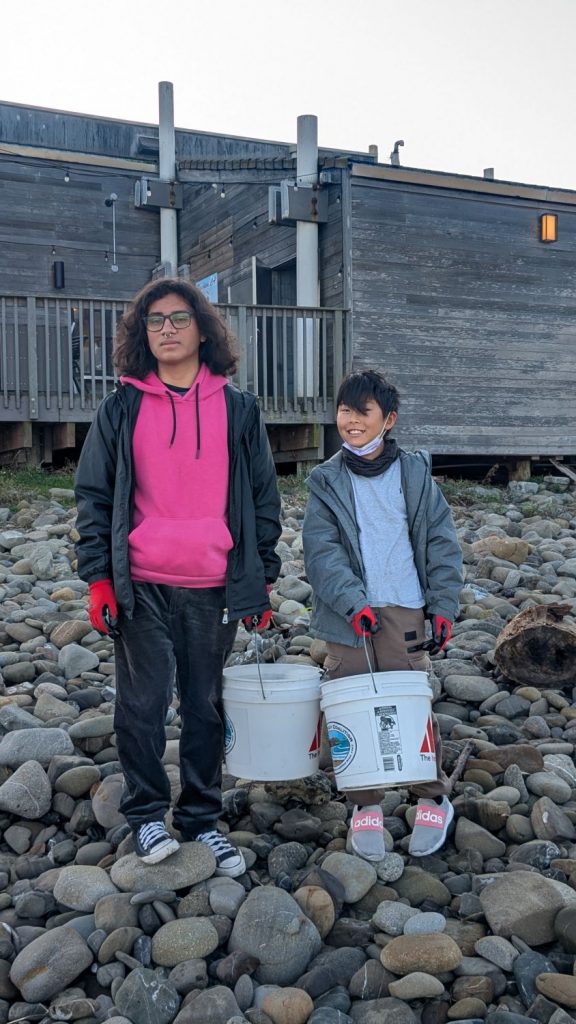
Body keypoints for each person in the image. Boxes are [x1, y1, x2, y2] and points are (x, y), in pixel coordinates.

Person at [74, 278, 281, 873]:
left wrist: (260, 578)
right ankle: (144, 816)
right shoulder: (120, 409)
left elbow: (263, 501)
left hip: (213, 584)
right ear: (144, 334)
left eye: (178, 318)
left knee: (205, 706)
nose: (166, 329)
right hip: (140, 582)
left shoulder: (239, 410)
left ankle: (199, 820)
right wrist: (99, 579)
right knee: (140, 707)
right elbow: (92, 497)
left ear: (202, 328)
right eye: (155, 321)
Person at [302, 369, 463, 863]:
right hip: (348, 614)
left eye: (362, 412)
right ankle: (364, 804)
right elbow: (321, 552)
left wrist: (443, 606)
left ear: (388, 420)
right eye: (344, 411)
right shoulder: (325, 480)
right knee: (349, 704)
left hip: (406, 604)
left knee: (411, 700)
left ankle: (431, 795)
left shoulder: (414, 473)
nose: (350, 421)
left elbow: (441, 542)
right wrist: (354, 602)